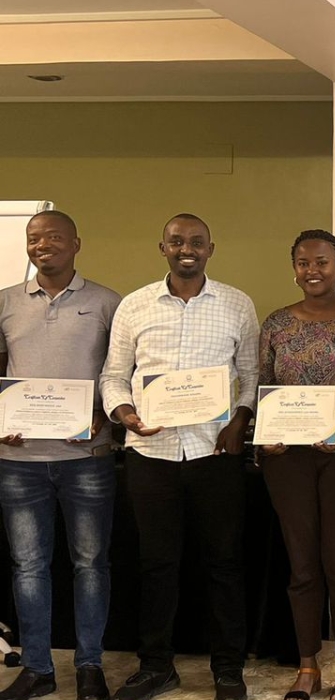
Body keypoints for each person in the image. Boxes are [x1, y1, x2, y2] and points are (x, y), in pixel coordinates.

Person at [99, 213, 258, 700]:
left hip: (216, 452)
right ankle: (156, 666)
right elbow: (113, 376)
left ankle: (228, 669)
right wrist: (124, 413)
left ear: (211, 248)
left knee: (224, 564)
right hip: (151, 452)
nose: (186, 248)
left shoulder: (237, 304)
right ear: (162, 247)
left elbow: (250, 375)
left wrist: (238, 422)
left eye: (196, 241)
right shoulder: (134, 306)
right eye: (176, 241)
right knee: (156, 565)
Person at [0, 211, 121, 700]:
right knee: (28, 566)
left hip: (87, 457)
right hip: (18, 462)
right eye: (33, 238)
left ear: (77, 243)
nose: (42, 245)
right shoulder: (5, 303)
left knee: (90, 564)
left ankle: (90, 666)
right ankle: (37, 669)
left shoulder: (108, 302)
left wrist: (106, 419)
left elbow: (121, 376)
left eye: (53, 237)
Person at [256, 230, 335, 700]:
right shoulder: (277, 323)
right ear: (294, 267)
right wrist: (265, 440)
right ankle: (308, 666)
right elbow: (262, 388)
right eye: (304, 262)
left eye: (323, 262)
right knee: (302, 566)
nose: (313, 270)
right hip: (287, 462)